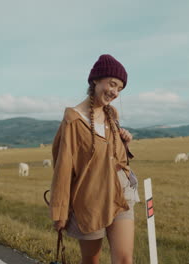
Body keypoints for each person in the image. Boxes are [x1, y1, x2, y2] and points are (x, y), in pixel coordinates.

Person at [49, 54, 140, 264]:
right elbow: (63, 168)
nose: (115, 92)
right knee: (91, 260)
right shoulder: (73, 120)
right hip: (90, 199)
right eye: (112, 84)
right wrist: (59, 211)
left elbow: (112, 156)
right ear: (95, 80)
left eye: (119, 89)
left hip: (121, 192)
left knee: (125, 259)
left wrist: (125, 142)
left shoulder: (112, 115)